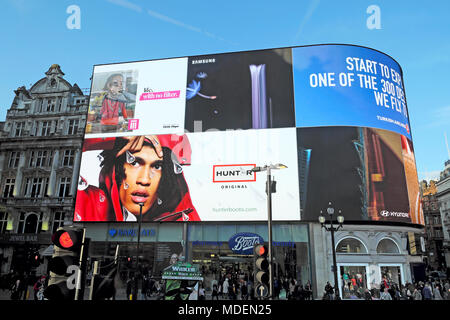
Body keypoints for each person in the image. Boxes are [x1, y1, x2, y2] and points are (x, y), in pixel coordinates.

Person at [75, 134, 200, 222]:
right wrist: (119, 135)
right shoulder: (88, 204)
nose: (144, 180)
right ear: (115, 168)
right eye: (134, 163)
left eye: (157, 166)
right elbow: (69, 145)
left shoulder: (179, 215)